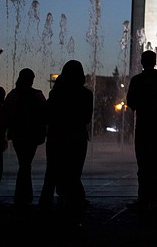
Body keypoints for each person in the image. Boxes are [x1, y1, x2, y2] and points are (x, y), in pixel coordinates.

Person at [41, 60, 93, 217]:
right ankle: (74, 202)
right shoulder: (86, 94)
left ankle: (46, 202)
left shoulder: (56, 93)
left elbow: (48, 115)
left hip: (57, 136)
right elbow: (87, 118)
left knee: (52, 171)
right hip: (77, 137)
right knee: (74, 171)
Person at [126, 50, 157, 211]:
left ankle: (143, 195)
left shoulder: (137, 80)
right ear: (155, 62)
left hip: (144, 126)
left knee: (143, 161)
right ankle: (156, 193)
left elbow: (131, 103)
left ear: (141, 62)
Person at [4, 67, 47, 206]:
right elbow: (45, 112)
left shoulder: (13, 95)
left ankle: (22, 194)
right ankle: (25, 194)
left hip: (18, 134)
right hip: (32, 135)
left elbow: (7, 113)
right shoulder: (37, 94)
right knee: (25, 163)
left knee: (24, 163)